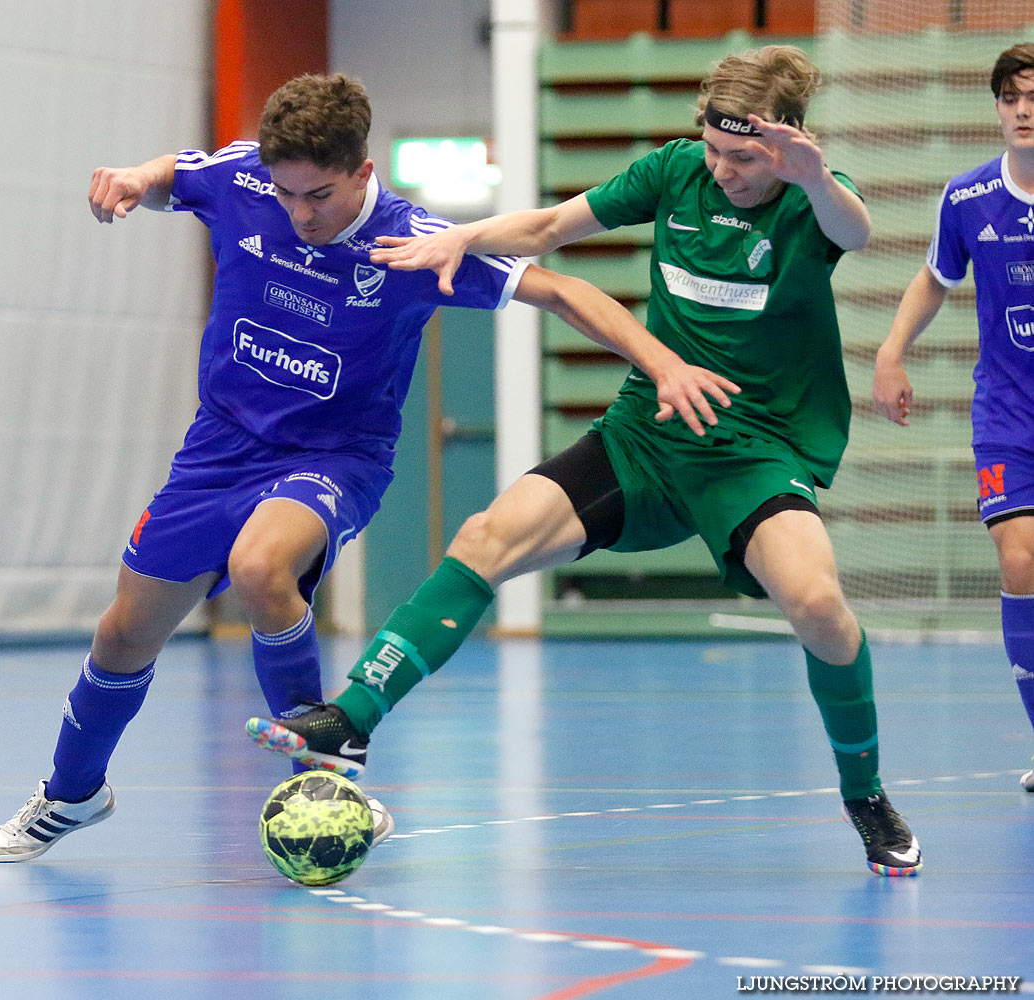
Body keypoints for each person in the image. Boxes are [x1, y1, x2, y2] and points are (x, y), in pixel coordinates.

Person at [0, 73, 737, 862]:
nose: (300, 214)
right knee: (124, 635)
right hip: (218, 447)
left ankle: (329, 778)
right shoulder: (244, 181)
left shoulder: (414, 246)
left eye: (320, 195)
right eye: (286, 195)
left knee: (260, 565)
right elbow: (179, 174)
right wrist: (137, 177)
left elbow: (564, 291)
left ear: (364, 173)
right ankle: (72, 796)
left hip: (336, 459)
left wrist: (663, 365)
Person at [248, 47, 925, 877]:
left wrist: (815, 177)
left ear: (789, 150)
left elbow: (855, 227)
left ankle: (865, 794)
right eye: (713, 148)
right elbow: (546, 228)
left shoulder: (810, 201)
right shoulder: (676, 174)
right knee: (486, 536)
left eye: (744, 157)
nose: (723, 169)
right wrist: (456, 236)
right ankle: (351, 716)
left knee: (819, 605)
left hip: (755, 449)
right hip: (647, 433)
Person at [872, 43, 1034, 793]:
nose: (1024, 109)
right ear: (997, 106)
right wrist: (891, 353)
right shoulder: (968, 199)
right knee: (1021, 559)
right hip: (1008, 414)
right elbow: (935, 279)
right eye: (1011, 97)